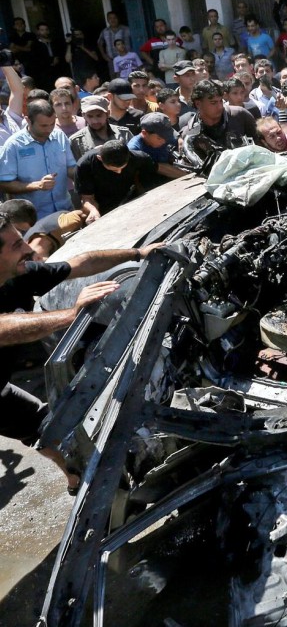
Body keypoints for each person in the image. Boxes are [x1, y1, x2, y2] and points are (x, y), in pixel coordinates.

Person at [0, 211, 164, 491]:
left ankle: (75, 480)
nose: (28, 249)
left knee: (43, 425)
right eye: (16, 246)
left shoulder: (20, 274)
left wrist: (138, 252)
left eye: (22, 240)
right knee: (42, 425)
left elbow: (80, 263)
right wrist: (71, 315)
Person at [0, 100, 76, 216]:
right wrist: (37, 185)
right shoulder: (13, 146)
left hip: (65, 210)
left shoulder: (59, 136)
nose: (49, 129)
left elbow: (70, 168)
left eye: (52, 124)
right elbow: (5, 184)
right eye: (43, 125)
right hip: (34, 218)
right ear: (28, 121)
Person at [76, 140, 161, 220]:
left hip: (134, 201)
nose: (119, 172)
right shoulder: (85, 166)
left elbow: (152, 181)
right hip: (104, 208)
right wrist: (93, 211)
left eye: (122, 168)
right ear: (100, 158)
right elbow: (87, 198)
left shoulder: (139, 158)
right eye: (114, 170)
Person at [178, 79, 257, 148]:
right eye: (213, 103)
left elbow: (261, 147)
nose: (220, 107)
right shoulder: (190, 134)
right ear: (198, 104)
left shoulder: (240, 116)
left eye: (220, 101)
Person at [69, 95, 131, 159]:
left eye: (99, 116)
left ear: (107, 114)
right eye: (90, 116)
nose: (95, 121)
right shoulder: (76, 140)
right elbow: (75, 167)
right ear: (83, 116)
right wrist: (91, 154)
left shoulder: (124, 134)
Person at [128, 112, 188, 179]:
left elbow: (178, 140)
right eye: (159, 138)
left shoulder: (166, 138)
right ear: (144, 133)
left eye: (167, 136)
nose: (164, 141)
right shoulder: (134, 149)